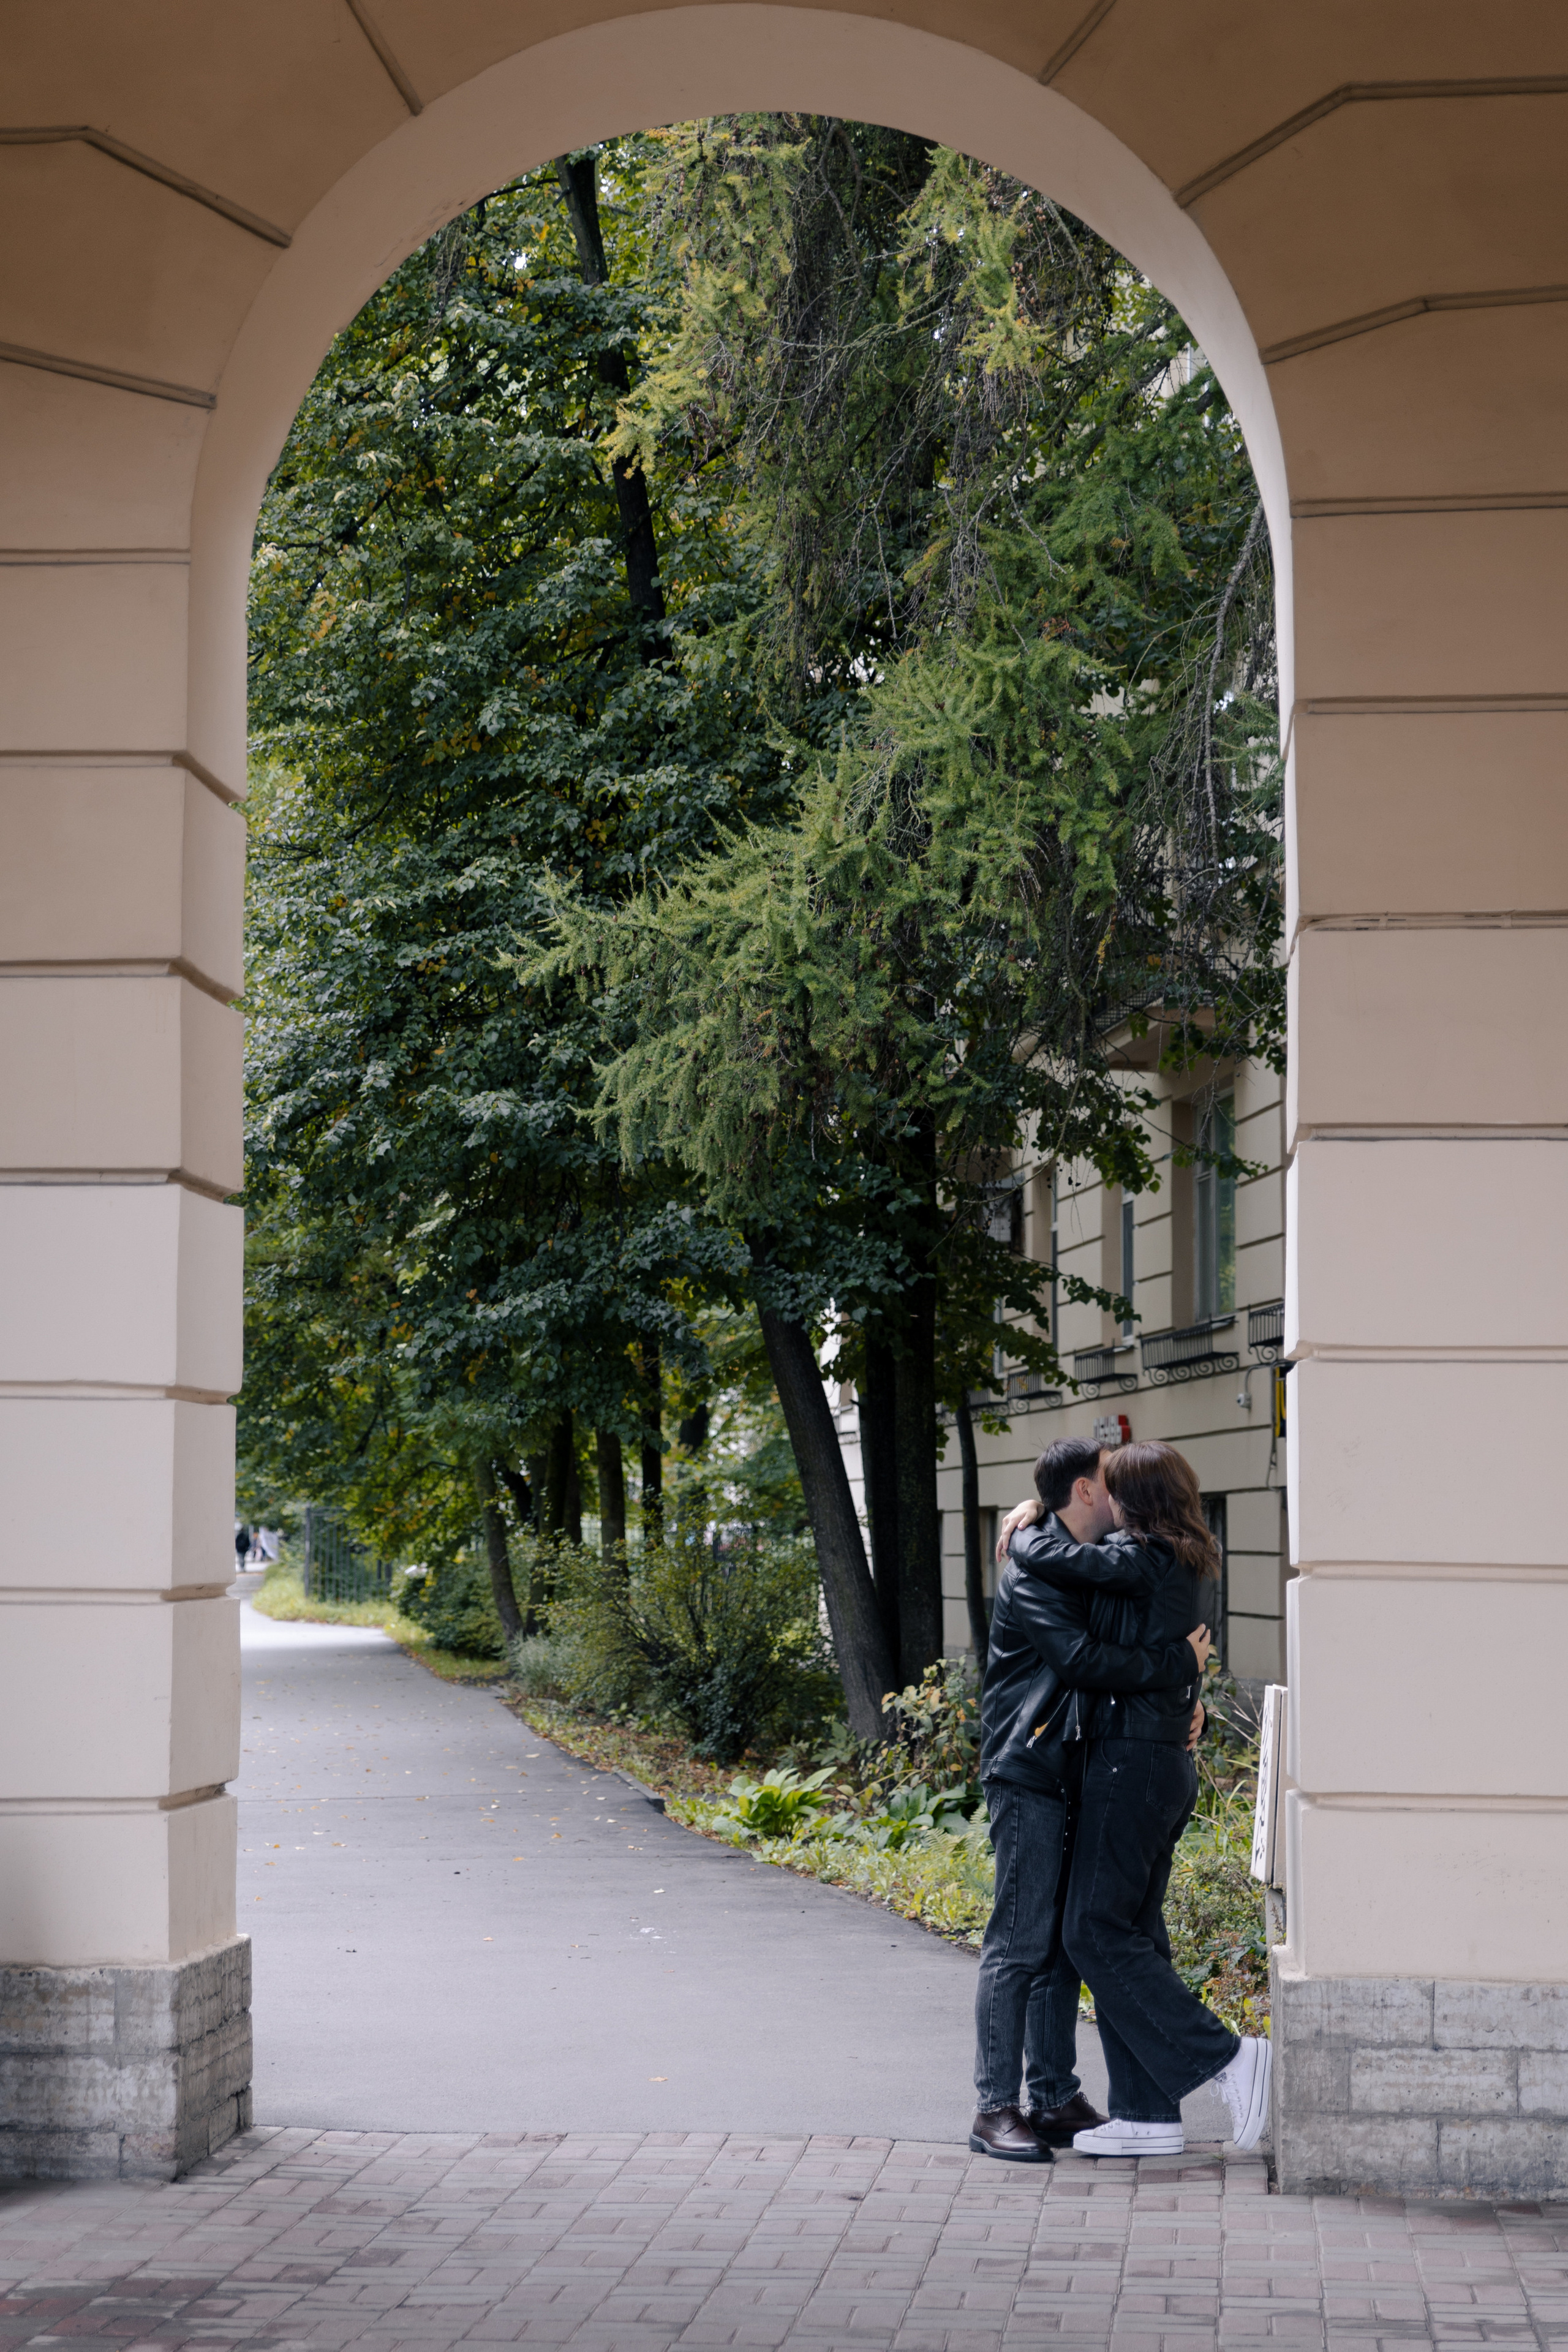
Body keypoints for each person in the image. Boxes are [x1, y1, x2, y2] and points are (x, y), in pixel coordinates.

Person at [1000, 1441, 1272, 2157]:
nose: (1105, 1503)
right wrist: (1183, 1686)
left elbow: (1066, 1569)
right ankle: (1147, 2113)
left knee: (1091, 1931)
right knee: (1133, 1936)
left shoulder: (1141, 1555)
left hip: (1132, 1766)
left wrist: (1025, 1527)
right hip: (1149, 1761)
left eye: (1113, 1492)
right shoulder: (1176, 1552)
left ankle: (1228, 2058)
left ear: (1135, 1500)